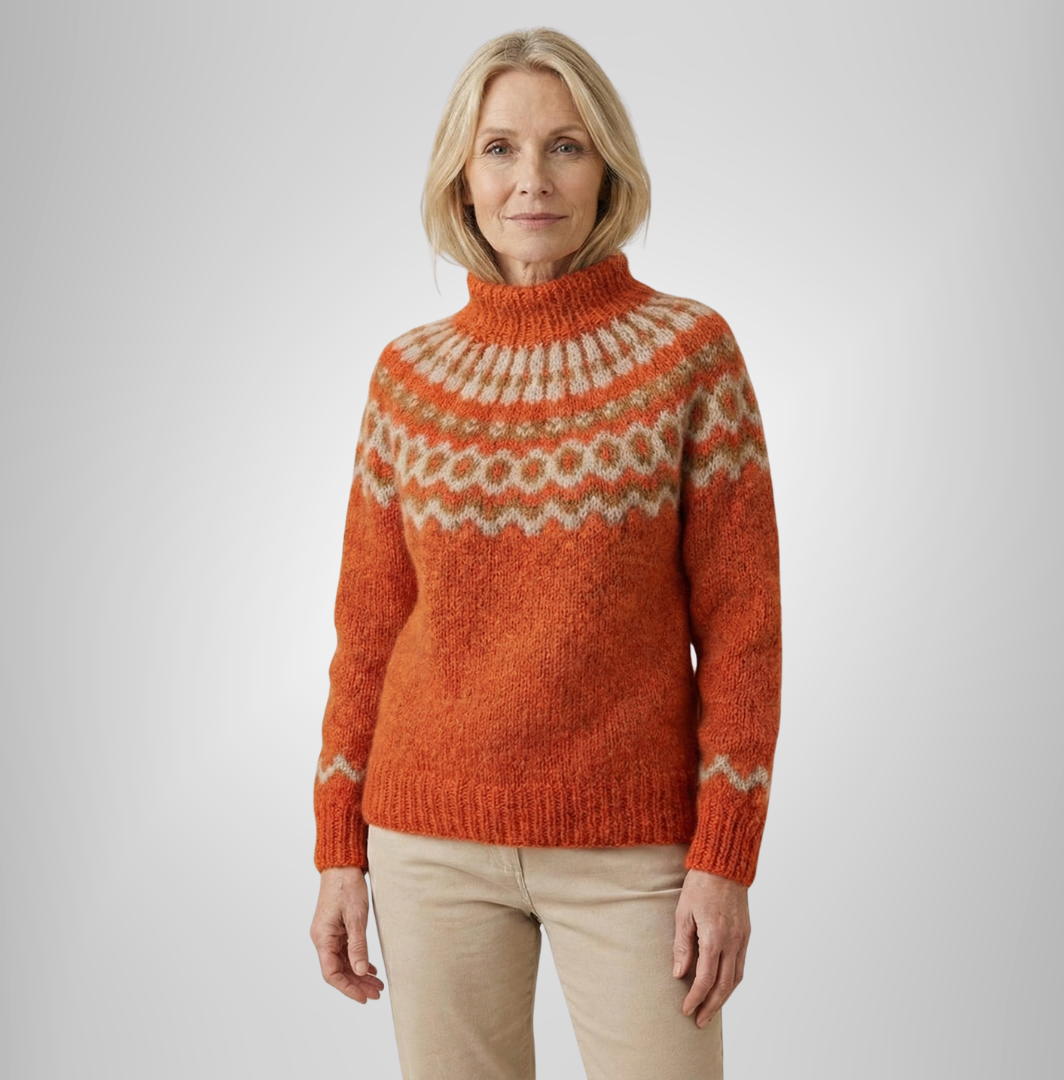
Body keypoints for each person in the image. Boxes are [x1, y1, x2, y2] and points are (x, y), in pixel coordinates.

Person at [310, 26, 781, 1080]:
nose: (532, 178)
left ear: (606, 166)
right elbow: (368, 632)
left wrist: (725, 857)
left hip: (634, 850)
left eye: (565, 146)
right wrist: (339, 845)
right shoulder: (408, 378)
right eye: (501, 149)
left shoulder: (689, 354)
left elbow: (745, 631)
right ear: (463, 177)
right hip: (428, 844)